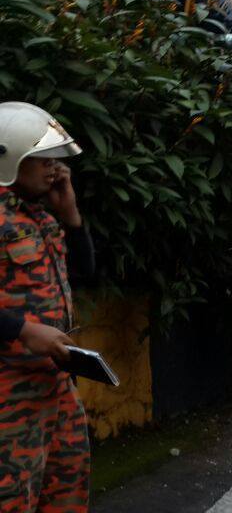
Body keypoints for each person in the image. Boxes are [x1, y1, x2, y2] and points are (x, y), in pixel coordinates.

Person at [0, 102, 95, 512]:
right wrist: (22, 330)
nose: (54, 168)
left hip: (56, 386)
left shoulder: (42, 214)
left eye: (55, 158)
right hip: (8, 393)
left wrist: (70, 213)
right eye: (41, 158)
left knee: (67, 493)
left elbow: (88, 274)